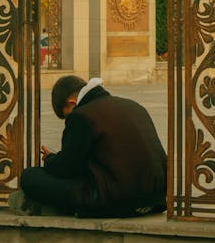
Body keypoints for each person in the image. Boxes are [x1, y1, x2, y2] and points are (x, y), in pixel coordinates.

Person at [9, 75, 167, 218]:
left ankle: (64, 208)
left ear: (72, 103)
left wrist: (50, 159)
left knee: (30, 176)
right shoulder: (133, 105)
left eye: (66, 115)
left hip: (118, 202)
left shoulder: (82, 115)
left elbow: (67, 169)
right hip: (155, 200)